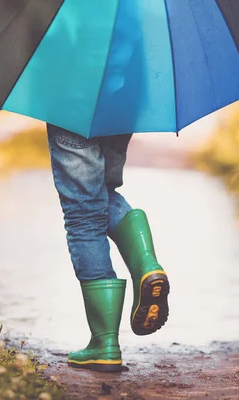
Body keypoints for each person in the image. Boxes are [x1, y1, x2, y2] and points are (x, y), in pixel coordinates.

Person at [46, 126, 170, 373]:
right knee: (102, 191)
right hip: (120, 103)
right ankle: (147, 265)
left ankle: (105, 344)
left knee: (84, 210)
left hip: (72, 103)